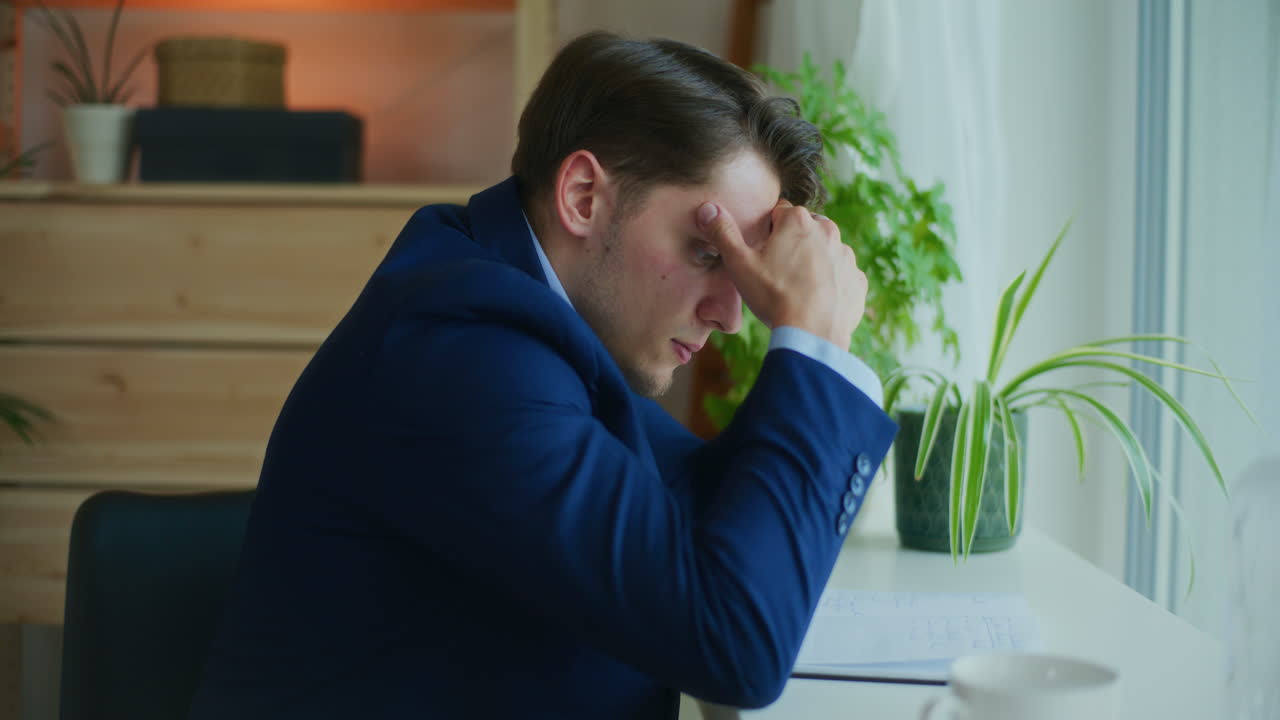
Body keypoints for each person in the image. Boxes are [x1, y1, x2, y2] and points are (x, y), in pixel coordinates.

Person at [189, 31, 897, 720]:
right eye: (708, 252)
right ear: (585, 196)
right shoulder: (461, 347)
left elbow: (704, 512)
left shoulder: (525, 309)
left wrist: (813, 345)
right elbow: (735, 646)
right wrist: (811, 341)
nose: (731, 315)